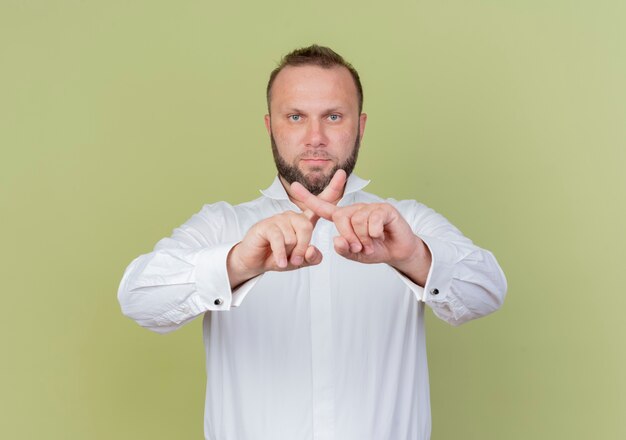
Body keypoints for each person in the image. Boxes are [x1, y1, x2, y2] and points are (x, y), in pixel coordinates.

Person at [118, 44, 507, 440]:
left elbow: (488, 292)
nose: (315, 137)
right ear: (271, 126)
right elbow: (138, 298)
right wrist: (237, 264)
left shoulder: (405, 223)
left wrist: (413, 256)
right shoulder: (223, 226)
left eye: (333, 116)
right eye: (296, 116)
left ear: (360, 125)